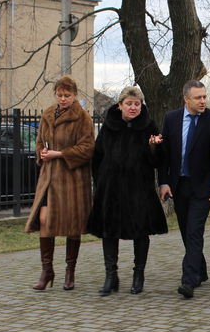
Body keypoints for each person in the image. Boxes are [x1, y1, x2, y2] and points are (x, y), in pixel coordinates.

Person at [87, 86, 168, 295]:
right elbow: (97, 157)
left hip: (139, 189)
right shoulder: (109, 126)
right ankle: (110, 275)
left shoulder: (149, 126)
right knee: (109, 231)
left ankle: (138, 274)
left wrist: (153, 147)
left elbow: (159, 161)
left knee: (141, 231)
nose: (133, 107)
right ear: (120, 105)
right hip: (110, 189)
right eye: (129, 103)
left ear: (141, 106)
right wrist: (100, 182)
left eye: (137, 104)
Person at [25, 76, 95, 291]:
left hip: (72, 179)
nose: (63, 99)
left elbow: (88, 148)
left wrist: (61, 153)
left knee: (72, 225)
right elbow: (38, 141)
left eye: (67, 95)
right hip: (49, 177)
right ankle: (47, 271)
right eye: (60, 95)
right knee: (44, 219)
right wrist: (42, 152)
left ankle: (69, 271)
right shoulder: (47, 114)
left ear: (75, 95)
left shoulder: (83, 118)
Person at [158, 80, 210, 299]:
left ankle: (188, 280)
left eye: (205, 96)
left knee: (195, 231)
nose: (203, 101)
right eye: (198, 97)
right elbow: (165, 155)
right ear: (187, 99)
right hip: (180, 185)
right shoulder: (172, 119)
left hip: (203, 186)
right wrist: (164, 182)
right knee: (188, 232)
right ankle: (200, 270)